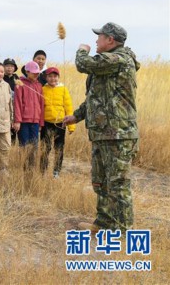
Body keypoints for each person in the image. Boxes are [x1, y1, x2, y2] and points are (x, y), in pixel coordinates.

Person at [63, 23, 139, 232]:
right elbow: (95, 100)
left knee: (118, 183)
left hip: (118, 134)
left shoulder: (119, 59)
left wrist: (81, 50)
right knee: (101, 181)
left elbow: (83, 64)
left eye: (100, 37)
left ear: (110, 40)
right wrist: (76, 116)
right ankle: (104, 223)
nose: (96, 41)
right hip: (102, 133)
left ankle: (122, 230)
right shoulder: (107, 65)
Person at [41, 67, 75, 177]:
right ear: (46, 77)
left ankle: (56, 172)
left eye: (55, 76)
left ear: (58, 77)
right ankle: (43, 171)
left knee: (59, 148)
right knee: (45, 147)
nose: (52, 79)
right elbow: (40, 108)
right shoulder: (43, 89)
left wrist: (71, 126)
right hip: (46, 123)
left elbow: (68, 107)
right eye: (50, 76)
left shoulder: (63, 89)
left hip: (60, 123)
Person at [13, 61, 44, 169]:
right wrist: (17, 120)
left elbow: (41, 104)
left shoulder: (39, 85)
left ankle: (32, 167)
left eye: (37, 72)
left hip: (35, 121)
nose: (36, 74)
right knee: (24, 145)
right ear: (27, 72)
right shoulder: (20, 84)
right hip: (24, 121)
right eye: (33, 72)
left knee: (34, 145)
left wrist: (41, 122)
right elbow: (17, 102)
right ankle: (23, 167)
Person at [3, 58, 20, 144]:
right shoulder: (1, 78)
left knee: (14, 131)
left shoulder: (17, 78)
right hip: (5, 107)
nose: (9, 68)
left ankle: (12, 152)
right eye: (7, 66)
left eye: (11, 66)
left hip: (15, 107)